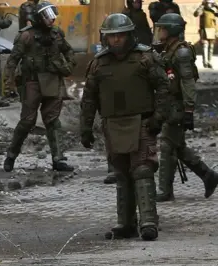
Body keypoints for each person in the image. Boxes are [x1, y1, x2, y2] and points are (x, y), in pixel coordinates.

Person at [80, 13, 170, 241]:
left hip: (141, 121)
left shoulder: (146, 58)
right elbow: (89, 98)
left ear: (129, 35)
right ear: (105, 38)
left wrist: (158, 118)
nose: (116, 40)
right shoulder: (98, 64)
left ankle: (148, 220)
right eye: (112, 36)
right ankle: (126, 223)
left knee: (142, 169)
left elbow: (163, 89)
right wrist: (86, 127)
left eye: (120, 36)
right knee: (121, 173)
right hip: (113, 125)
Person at [152, 13, 218, 202]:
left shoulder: (181, 52)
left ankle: (165, 191)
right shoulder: (169, 49)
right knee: (177, 146)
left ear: (172, 30)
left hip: (177, 105)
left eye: (163, 28)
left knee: (167, 144)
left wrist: (189, 109)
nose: (160, 32)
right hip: (168, 104)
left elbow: (188, 82)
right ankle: (208, 175)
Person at [3, 1, 76, 172]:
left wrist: (69, 66)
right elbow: (12, 60)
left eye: (52, 15)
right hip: (32, 82)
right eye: (47, 16)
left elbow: (69, 50)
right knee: (27, 121)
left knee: (52, 121)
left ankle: (58, 159)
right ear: (38, 18)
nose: (52, 19)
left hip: (52, 80)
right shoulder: (26, 36)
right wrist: (9, 84)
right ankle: (11, 156)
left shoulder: (56, 34)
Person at [194, 0, 218, 68]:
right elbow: (195, 14)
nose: (209, 5)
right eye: (208, 3)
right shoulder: (203, 10)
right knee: (205, 46)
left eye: (210, 3)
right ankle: (205, 62)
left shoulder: (213, 11)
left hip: (212, 30)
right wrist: (201, 6)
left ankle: (210, 61)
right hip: (204, 30)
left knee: (211, 47)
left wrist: (216, 5)